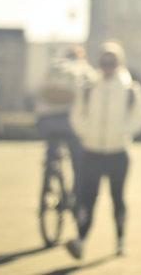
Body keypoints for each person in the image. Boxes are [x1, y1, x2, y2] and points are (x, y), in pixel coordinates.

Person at [66, 41, 141, 260]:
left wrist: (123, 132)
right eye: (104, 61)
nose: (107, 65)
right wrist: (85, 133)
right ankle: (81, 240)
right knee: (86, 199)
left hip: (118, 152)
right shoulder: (89, 86)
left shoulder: (130, 88)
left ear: (119, 63)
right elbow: (77, 114)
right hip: (91, 151)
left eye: (112, 61)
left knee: (117, 198)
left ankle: (120, 240)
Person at [35, 45, 94, 200]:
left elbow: (38, 91)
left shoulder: (53, 68)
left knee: (51, 148)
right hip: (69, 122)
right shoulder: (84, 69)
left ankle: (49, 173)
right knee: (77, 158)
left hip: (46, 121)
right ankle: (76, 194)